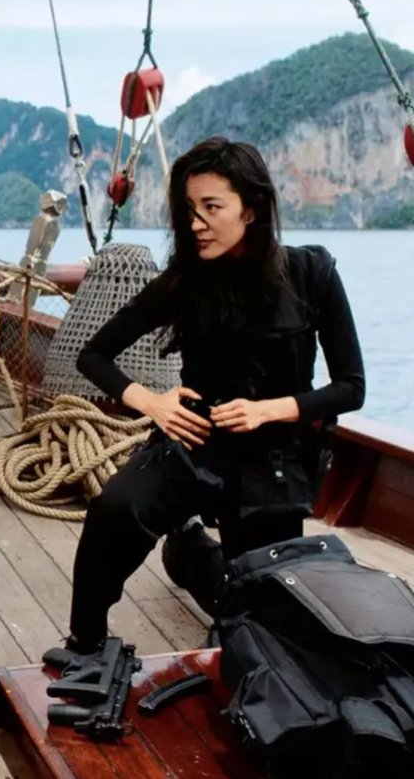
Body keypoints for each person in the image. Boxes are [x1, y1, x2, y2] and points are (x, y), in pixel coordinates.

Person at [45, 136, 365, 666]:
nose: (196, 223)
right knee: (114, 509)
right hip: (195, 439)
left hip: (273, 460)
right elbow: (93, 354)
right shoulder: (185, 281)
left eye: (211, 208)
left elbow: (351, 387)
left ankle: (190, 551)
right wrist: (152, 402)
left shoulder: (313, 274)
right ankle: (86, 641)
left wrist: (268, 409)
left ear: (251, 208)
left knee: (253, 622)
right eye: (189, 209)